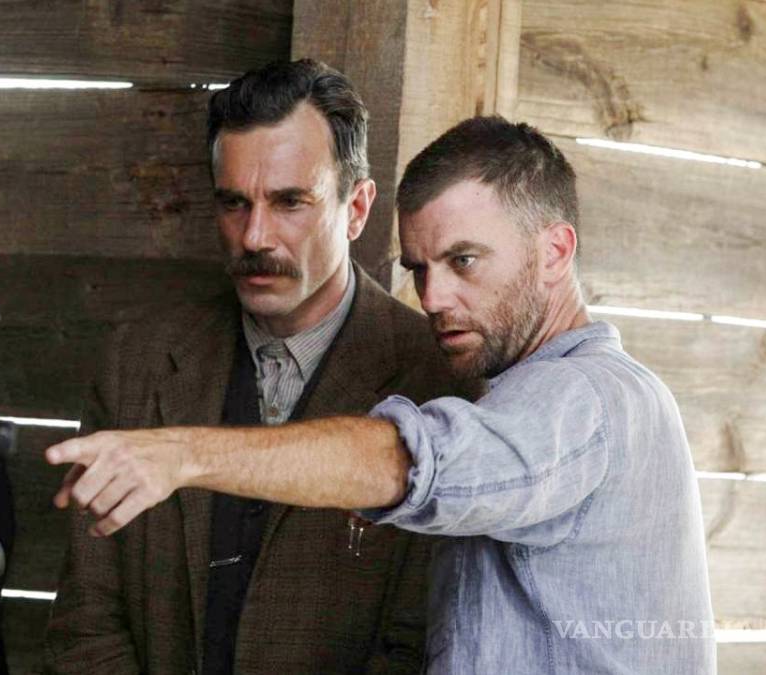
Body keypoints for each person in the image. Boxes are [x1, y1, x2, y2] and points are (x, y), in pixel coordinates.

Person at [46, 116, 717, 674]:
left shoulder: (587, 396)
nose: (434, 297)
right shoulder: (522, 396)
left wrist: (183, 455)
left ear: (555, 252)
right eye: (419, 269)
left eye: (464, 260)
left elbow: (410, 462)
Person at [42, 59, 473, 674]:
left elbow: (419, 644)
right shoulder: (137, 363)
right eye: (234, 203)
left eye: (290, 202)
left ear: (356, 208)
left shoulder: (437, 381)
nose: (254, 237)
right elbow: (87, 624)